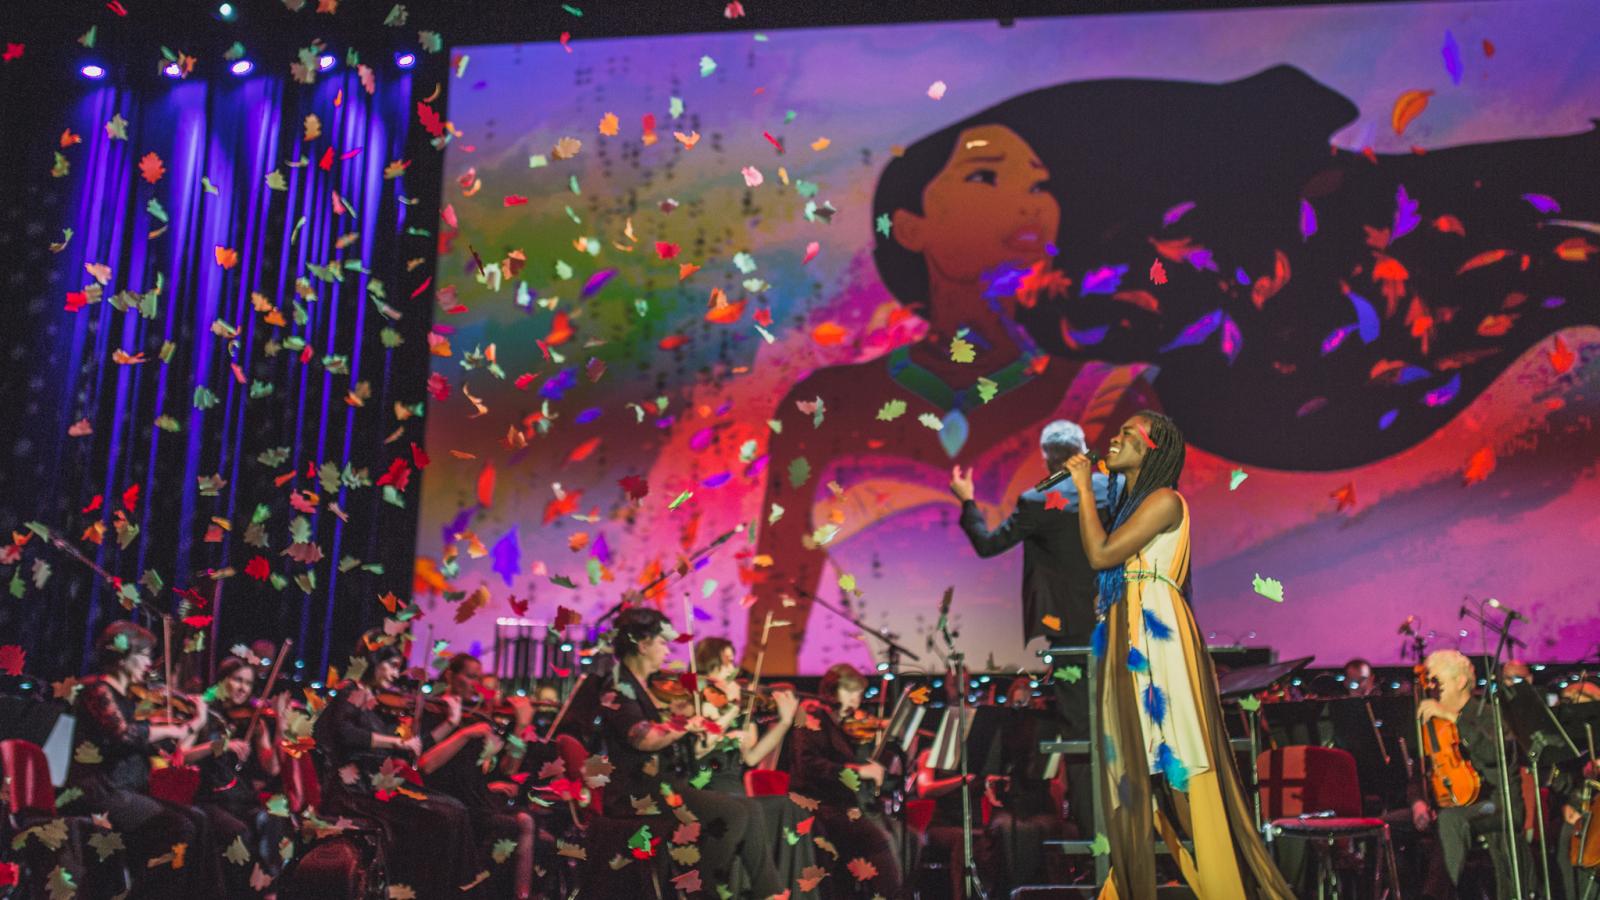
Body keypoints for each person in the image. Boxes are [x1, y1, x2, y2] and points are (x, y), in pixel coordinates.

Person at [745, 112, 1161, 674]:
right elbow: (779, 591)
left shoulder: (1108, 396)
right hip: (888, 696)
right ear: (910, 227)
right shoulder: (827, 405)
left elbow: (1145, 569)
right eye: (986, 176)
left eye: (1038, 186)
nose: (1027, 204)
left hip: (1072, 676)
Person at [1064, 411, 1292, 899]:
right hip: (1130, 635)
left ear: (1152, 450)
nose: (1114, 439)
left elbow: (1101, 554)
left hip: (1157, 637)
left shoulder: (1165, 500)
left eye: (1127, 434)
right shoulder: (1135, 506)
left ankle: (1227, 886)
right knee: (1141, 767)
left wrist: (1083, 488)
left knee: (1180, 764)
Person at [950, 417, 1108, 839]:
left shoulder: (1037, 500)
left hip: (1071, 632)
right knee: (1122, 725)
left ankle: (1096, 837)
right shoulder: (1113, 491)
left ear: (1046, 458)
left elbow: (988, 544)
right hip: (1119, 623)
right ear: (1083, 448)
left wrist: (968, 501)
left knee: (1081, 733)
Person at [598, 607, 785, 898]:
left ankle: (770, 893)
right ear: (643, 644)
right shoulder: (618, 686)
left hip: (665, 785)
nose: (667, 651)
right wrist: (684, 723)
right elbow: (642, 737)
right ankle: (700, 890)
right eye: (662, 643)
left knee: (751, 809)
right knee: (732, 814)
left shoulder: (647, 688)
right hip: (639, 792)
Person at [64, 620, 225, 897]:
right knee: (179, 827)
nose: (149, 664)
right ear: (122, 656)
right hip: (100, 790)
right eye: (144, 655)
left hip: (127, 791)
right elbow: (124, 734)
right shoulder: (97, 690)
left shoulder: (131, 701)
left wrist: (194, 726)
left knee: (200, 820)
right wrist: (175, 728)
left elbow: (168, 752)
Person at [312, 629, 477, 898]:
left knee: (456, 810)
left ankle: (455, 891)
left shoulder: (377, 704)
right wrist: (395, 742)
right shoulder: (351, 692)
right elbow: (345, 733)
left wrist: (451, 723)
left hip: (378, 787)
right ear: (373, 660)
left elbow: (416, 747)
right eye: (391, 665)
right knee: (445, 815)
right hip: (353, 791)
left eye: (398, 667)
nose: (395, 673)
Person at [1410, 648, 1533, 897]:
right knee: (1389, 824)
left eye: (1438, 681)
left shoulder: (1489, 713)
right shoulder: (1434, 724)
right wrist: (1418, 802)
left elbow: (1493, 753)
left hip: (1495, 804)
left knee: (1450, 820)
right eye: (1430, 682)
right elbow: (1424, 771)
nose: (1433, 688)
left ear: (1460, 681)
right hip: (1449, 805)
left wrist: (1453, 717)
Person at [417, 652, 539, 900]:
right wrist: (465, 734)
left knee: (529, 822)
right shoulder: (434, 712)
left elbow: (509, 768)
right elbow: (426, 765)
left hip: (476, 797)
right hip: (447, 796)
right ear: (450, 676)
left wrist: (520, 728)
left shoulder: (477, 717)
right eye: (470, 676)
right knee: (510, 826)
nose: (476, 684)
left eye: (479, 679)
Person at [789, 662, 904, 898]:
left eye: (858, 693)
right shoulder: (812, 718)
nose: (855, 698)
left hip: (843, 804)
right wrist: (857, 771)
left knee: (904, 834)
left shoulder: (844, 726)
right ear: (831, 691)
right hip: (818, 804)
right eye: (849, 691)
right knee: (878, 838)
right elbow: (809, 766)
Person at [181, 655, 289, 891]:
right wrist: (222, 745)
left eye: (248, 683)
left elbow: (272, 767)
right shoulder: (205, 714)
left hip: (241, 797)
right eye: (237, 680)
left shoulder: (253, 721)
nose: (243, 688)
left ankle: (268, 891)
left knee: (274, 821)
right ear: (222, 681)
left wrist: (280, 726)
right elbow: (182, 755)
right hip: (211, 798)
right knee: (239, 834)